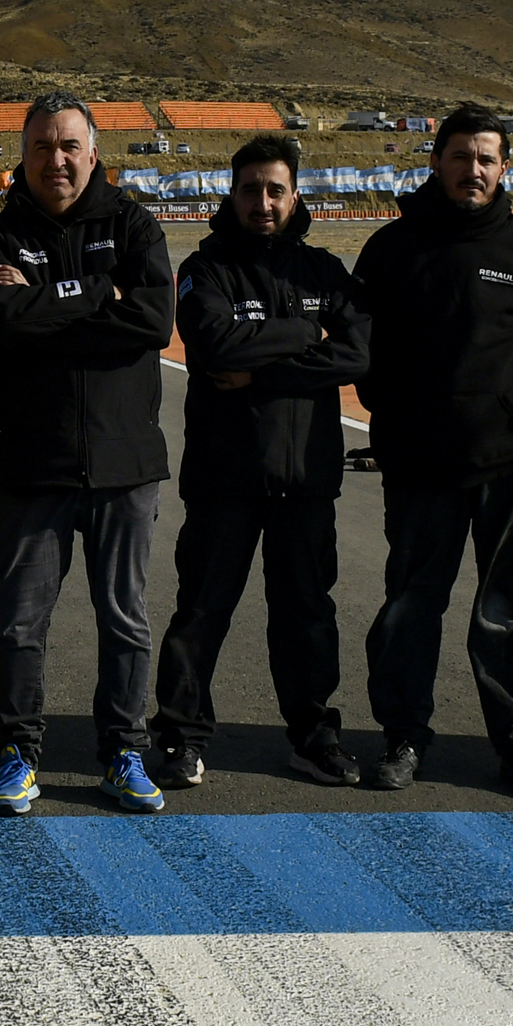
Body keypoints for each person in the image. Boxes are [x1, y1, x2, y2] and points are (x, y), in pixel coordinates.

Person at [354, 104, 513, 800]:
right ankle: (403, 736)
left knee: (509, 606)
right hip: (420, 463)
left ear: (504, 167)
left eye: (485, 158)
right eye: (460, 156)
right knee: (411, 604)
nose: (472, 169)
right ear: (436, 161)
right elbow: (366, 352)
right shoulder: (392, 249)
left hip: (511, 462)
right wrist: (400, 422)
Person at [0, 92, 177, 816]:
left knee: (125, 620)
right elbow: (1, 319)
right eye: (41, 147)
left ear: (93, 153)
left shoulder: (133, 224)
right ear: (23, 156)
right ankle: (17, 752)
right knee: (19, 622)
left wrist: (47, 305)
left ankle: (123, 750)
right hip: (33, 464)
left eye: (68, 147)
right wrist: (98, 293)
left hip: (125, 466)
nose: (55, 160)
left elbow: (152, 320)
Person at [149, 135, 373, 789]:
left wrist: (263, 370)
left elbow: (359, 353)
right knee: (201, 612)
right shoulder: (207, 268)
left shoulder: (324, 271)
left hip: (305, 479)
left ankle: (314, 737)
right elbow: (215, 345)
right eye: (251, 189)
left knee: (308, 615)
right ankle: (181, 735)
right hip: (224, 477)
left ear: (295, 196)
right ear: (234, 194)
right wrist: (306, 334)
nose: (263, 202)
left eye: (276, 190)